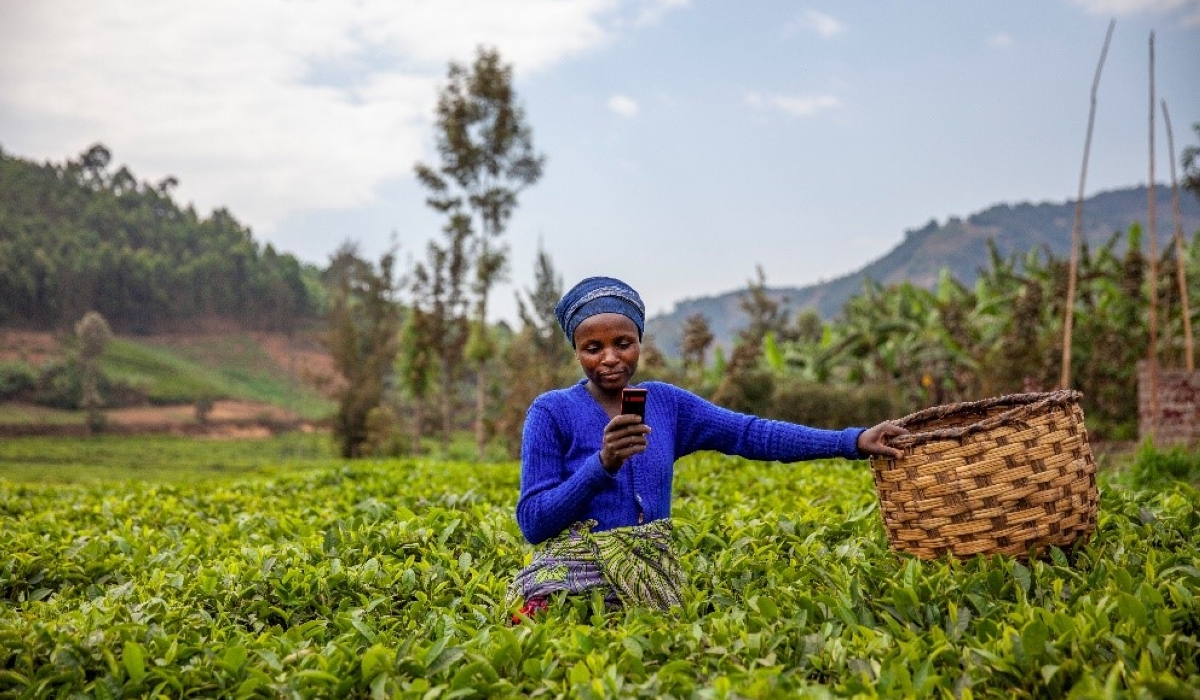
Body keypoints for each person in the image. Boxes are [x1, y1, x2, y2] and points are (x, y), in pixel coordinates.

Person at [507, 276, 906, 618]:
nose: (610, 358)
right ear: (577, 350)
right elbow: (533, 522)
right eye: (593, 348)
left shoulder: (667, 404)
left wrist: (852, 440)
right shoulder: (551, 411)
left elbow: (752, 434)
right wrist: (602, 464)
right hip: (569, 582)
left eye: (623, 343)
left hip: (651, 584)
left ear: (639, 342)